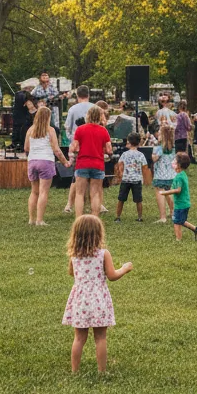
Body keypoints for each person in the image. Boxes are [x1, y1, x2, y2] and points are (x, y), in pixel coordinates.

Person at [63, 214, 132, 374]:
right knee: (100, 337)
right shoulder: (103, 254)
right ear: (98, 234)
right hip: (98, 300)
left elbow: (72, 273)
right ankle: (102, 371)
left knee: (79, 338)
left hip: (80, 301)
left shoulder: (74, 256)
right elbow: (112, 276)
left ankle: (75, 371)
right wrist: (124, 269)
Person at [26, 105, 70, 225]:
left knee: (34, 192)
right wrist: (65, 162)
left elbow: (26, 147)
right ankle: (40, 220)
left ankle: (31, 219)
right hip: (45, 161)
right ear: (48, 117)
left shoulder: (30, 130)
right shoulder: (50, 130)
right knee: (43, 192)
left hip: (32, 161)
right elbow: (56, 150)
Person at [69, 107, 112, 219]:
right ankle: (95, 218)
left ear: (87, 116)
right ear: (99, 116)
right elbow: (109, 150)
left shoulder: (80, 129)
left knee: (79, 193)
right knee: (95, 193)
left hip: (82, 163)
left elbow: (74, 147)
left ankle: (79, 218)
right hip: (98, 164)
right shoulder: (103, 131)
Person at [62, 85, 96, 216]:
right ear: (88, 94)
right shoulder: (95, 108)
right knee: (94, 175)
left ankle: (70, 204)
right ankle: (92, 204)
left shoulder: (73, 109)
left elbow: (68, 127)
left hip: (77, 146)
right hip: (93, 145)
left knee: (77, 175)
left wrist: (72, 140)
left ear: (77, 95)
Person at [159, 151, 197, 241]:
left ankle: (178, 240)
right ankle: (196, 229)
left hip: (181, 204)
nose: (173, 163)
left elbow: (178, 190)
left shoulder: (179, 177)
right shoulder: (182, 174)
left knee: (176, 222)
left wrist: (165, 193)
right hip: (184, 203)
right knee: (181, 221)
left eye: (175, 161)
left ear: (179, 165)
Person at [115, 133, 148, 222]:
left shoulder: (125, 154)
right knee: (138, 200)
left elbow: (120, 165)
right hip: (137, 180)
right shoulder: (141, 155)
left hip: (125, 179)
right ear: (139, 142)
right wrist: (145, 179)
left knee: (121, 199)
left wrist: (120, 175)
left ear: (129, 142)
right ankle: (140, 217)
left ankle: (118, 217)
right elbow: (145, 167)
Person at [151, 124, 177, 223]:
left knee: (160, 192)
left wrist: (153, 151)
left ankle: (163, 217)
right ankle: (173, 211)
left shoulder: (159, 147)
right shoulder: (173, 146)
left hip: (161, 175)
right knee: (169, 193)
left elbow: (155, 158)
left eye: (160, 134)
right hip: (172, 174)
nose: (158, 135)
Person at [10, 84, 34, 154]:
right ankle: (20, 145)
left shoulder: (18, 94)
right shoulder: (25, 95)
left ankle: (16, 144)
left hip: (18, 116)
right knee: (22, 130)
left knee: (18, 130)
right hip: (23, 117)